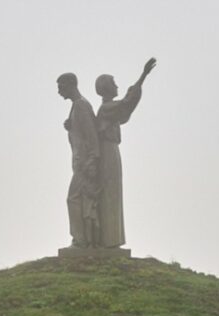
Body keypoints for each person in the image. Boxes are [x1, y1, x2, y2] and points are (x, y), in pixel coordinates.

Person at [94, 57, 156, 248]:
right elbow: (127, 103)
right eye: (113, 83)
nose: (117, 86)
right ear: (106, 88)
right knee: (110, 194)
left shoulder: (108, 108)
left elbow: (125, 107)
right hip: (107, 152)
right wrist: (143, 76)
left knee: (114, 193)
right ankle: (109, 240)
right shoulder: (106, 108)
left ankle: (112, 239)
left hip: (111, 151)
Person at [57, 73, 100, 247]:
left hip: (84, 163)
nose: (59, 91)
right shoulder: (76, 106)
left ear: (70, 85)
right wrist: (71, 126)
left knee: (73, 199)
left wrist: (93, 159)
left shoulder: (81, 105)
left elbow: (91, 135)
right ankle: (83, 239)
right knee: (79, 199)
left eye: (61, 86)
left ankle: (80, 240)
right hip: (79, 162)